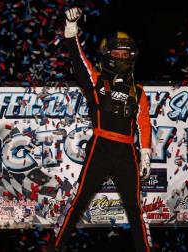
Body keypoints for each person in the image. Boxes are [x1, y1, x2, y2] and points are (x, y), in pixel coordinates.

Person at [49, 7, 153, 252]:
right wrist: (71, 28)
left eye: (126, 53)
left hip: (127, 150)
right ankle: (55, 247)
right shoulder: (96, 81)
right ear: (107, 54)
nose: (121, 57)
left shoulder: (138, 90)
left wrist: (146, 152)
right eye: (117, 52)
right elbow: (77, 59)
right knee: (78, 202)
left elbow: (144, 121)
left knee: (135, 209)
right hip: (100, 146)